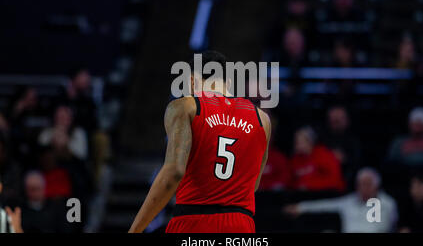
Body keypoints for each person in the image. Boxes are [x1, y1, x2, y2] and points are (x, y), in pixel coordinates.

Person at [129, 51, 271, 233]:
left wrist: (135, 229)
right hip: (241, 224)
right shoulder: (263, 119)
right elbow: (254, 184)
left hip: (194, 220)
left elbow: (174, 172)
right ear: (227, 82)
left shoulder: (185, 106)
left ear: (190, 80)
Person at [284, 167, 398, 233]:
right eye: (360, 184)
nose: (363, 188)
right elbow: (326, 205)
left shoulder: (387, 203)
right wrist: (301, 207)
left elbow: (389, 227)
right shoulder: (349, 201)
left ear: (377, 186)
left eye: (367, 184)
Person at [289, 126, 345, 192]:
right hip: (304, 196)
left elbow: (335, 180)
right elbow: (291, 182)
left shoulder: (323, 154)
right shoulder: (295, 159)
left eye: (299, 141)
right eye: (296, 141)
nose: (297, 144)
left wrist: (309, 185)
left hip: (328, 194)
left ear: (310, 141)